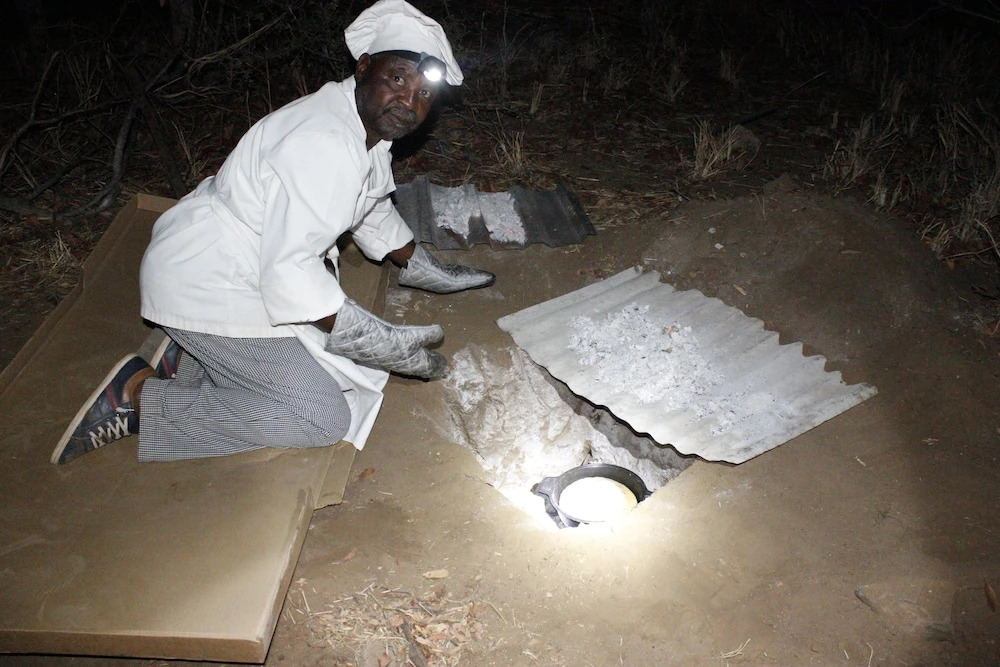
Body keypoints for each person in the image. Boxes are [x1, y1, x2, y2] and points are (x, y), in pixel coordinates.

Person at [51, 0, 494, 465]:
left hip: (230, 259)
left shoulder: (360, 122)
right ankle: (139, 396)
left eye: (425, 94)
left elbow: (371, 206)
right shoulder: (325, 142)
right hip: (213, 279)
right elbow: (291, 274)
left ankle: (185, 357)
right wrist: (379, 341)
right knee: (321, 416)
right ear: (364, 66)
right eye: (399, 80)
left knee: (327, 352)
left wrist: (423, 267)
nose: (409, 103)